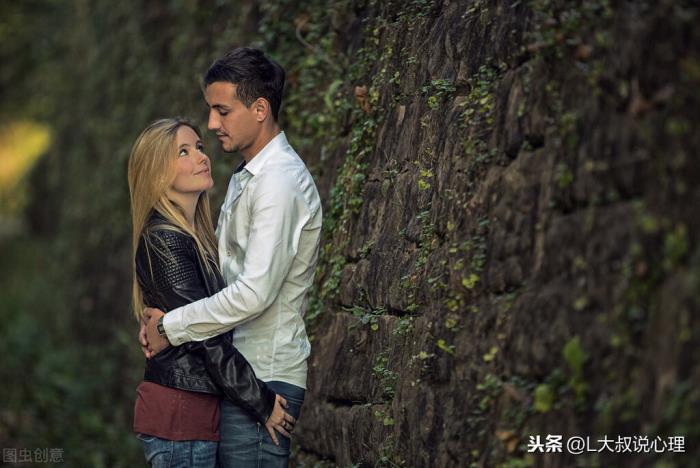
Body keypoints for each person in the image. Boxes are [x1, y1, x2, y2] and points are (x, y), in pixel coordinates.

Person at [141, 47, 322, 467]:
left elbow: (253, 293)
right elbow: (219, 280)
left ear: (260, 109)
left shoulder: (278, 184)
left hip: (264, 376)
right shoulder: (249, 176)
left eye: (222, 111)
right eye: (211, 110)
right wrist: (164, 317)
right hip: (239, 375)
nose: (211, 123)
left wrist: (172, 325)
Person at [128, 118, 296, 467]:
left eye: (199, 147)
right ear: (157, 174)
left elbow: (209, 318)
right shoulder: (165, 240)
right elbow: (205, 334)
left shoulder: (197, 239)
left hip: (193, 414)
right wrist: (261, 401)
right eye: (183, 152)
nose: (201, 157)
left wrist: (165, 327)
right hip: (180, 417)